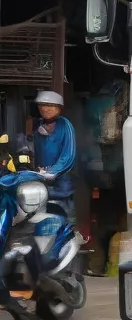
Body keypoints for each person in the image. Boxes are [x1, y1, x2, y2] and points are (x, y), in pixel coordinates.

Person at [33, 90, 77, 227]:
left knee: (64, 209)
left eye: (50, 106)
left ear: (59, 108)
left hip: (62, 178)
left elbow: (68, 153)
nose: (45, 109)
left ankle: (69, 235)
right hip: (42, 176)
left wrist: (54, 171)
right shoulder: (38, 125)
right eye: (42, 105)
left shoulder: (65, 125)